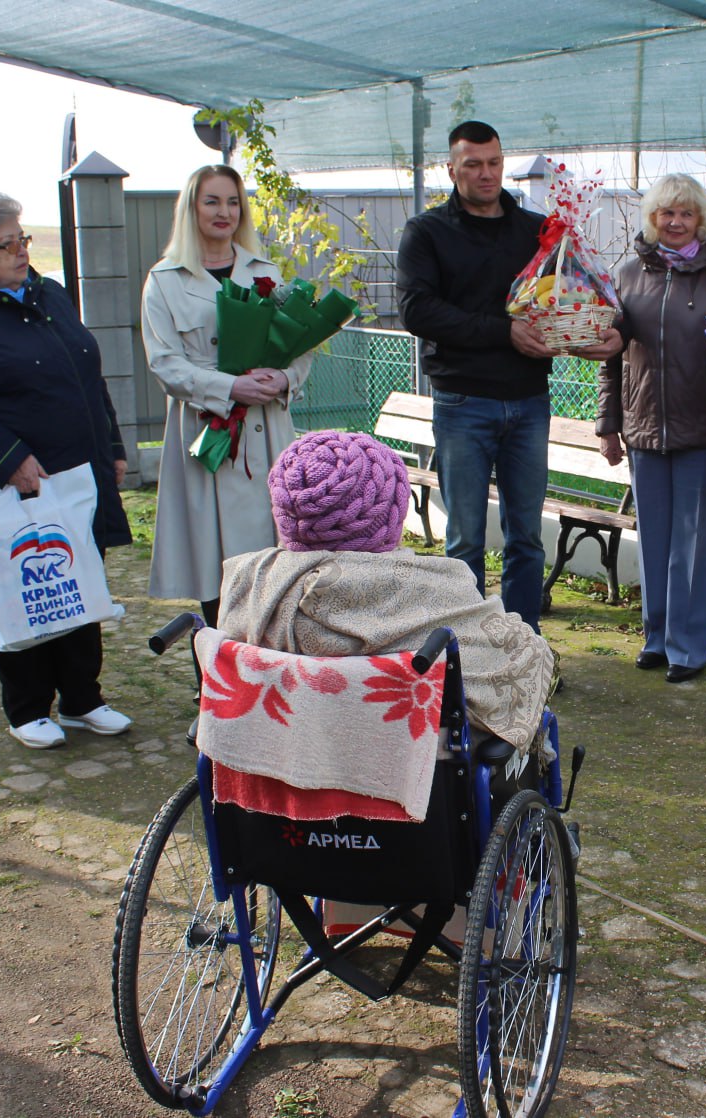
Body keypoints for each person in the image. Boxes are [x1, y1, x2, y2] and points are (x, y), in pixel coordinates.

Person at [0, 189, 132, 749]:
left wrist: (110, 445)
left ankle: (82, 698)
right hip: (7, 480)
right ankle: (28, 707)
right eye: (5, 243)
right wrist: (8, 459)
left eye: (23, 238)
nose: (21, 251)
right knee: (23, 587)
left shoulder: (50, 294)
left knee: (78, 581)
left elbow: (88, 376)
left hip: (72, 473)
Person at [217, 431, 555, 752]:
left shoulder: (248, 586)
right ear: (391, 513)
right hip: (412, 769)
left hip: (279, 758)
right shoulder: (439, 591)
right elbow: (518, 661)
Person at [396, 120, 556, 632]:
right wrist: (504, 331)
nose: (486, 174)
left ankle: (523, 645)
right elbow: (417, 311)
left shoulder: (537, 231)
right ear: (452, 169)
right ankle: (466, 651)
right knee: (465, 540)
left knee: (526, 537)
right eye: (473, 165)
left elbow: (559, 298)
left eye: (494, 163)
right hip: (462, 402)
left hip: (529, 399)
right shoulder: (427, 233)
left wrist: (589, 330)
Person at [141, 164, 314, 628]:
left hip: (266, 433)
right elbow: (165, 363)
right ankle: (218, 663)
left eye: (233, 202)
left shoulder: (264, 272)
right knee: (216, 570)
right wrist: (228, 387)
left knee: (276, 564)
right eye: (212, 201)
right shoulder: (165, 280)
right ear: (191, 209)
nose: (225, 212)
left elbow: (299, 347)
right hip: (208, 435)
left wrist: (283, 378)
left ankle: (272, 659)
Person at [591, 174, 706, 683]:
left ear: (701, 219)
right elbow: (610, 357)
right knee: (654, 539)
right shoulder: (628, 272)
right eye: (666, 213)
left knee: (694, 544)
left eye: (686, 213)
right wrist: (608, 424)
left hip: (704, 428)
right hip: (643, 429)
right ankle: (656, 637)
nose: (676, 222)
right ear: (653, 218)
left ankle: (689, 647)